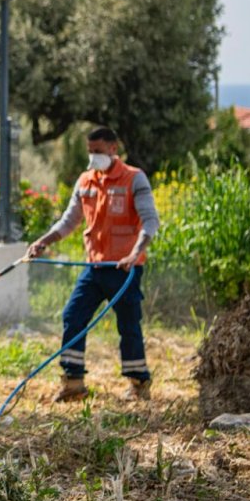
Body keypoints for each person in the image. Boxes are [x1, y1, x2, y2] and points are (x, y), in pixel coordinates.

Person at [26, 126, 160, 403]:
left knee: (129, 326)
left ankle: (138, 384)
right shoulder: (86, 181)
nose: (93, 157)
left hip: (124, 269)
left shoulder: (134, 179)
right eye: (90, 152)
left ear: (113, 148)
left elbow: (150, 223)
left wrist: (135, 253)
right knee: (73, 317)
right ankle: (73, 383)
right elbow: (69, 221)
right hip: (94, 268)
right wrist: (43, 241)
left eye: (98, 152)